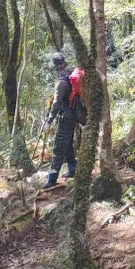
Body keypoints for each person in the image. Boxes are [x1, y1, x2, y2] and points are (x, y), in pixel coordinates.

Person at [42, 53, 87, 190]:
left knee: (58, 147)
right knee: (67, 145)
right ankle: (72, 168)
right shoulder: (69, 76)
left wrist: (49, 121)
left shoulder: (61, 82)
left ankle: (52, 178)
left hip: (66, 117)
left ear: (56, 67)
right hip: (71, 116)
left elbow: (56, 104)